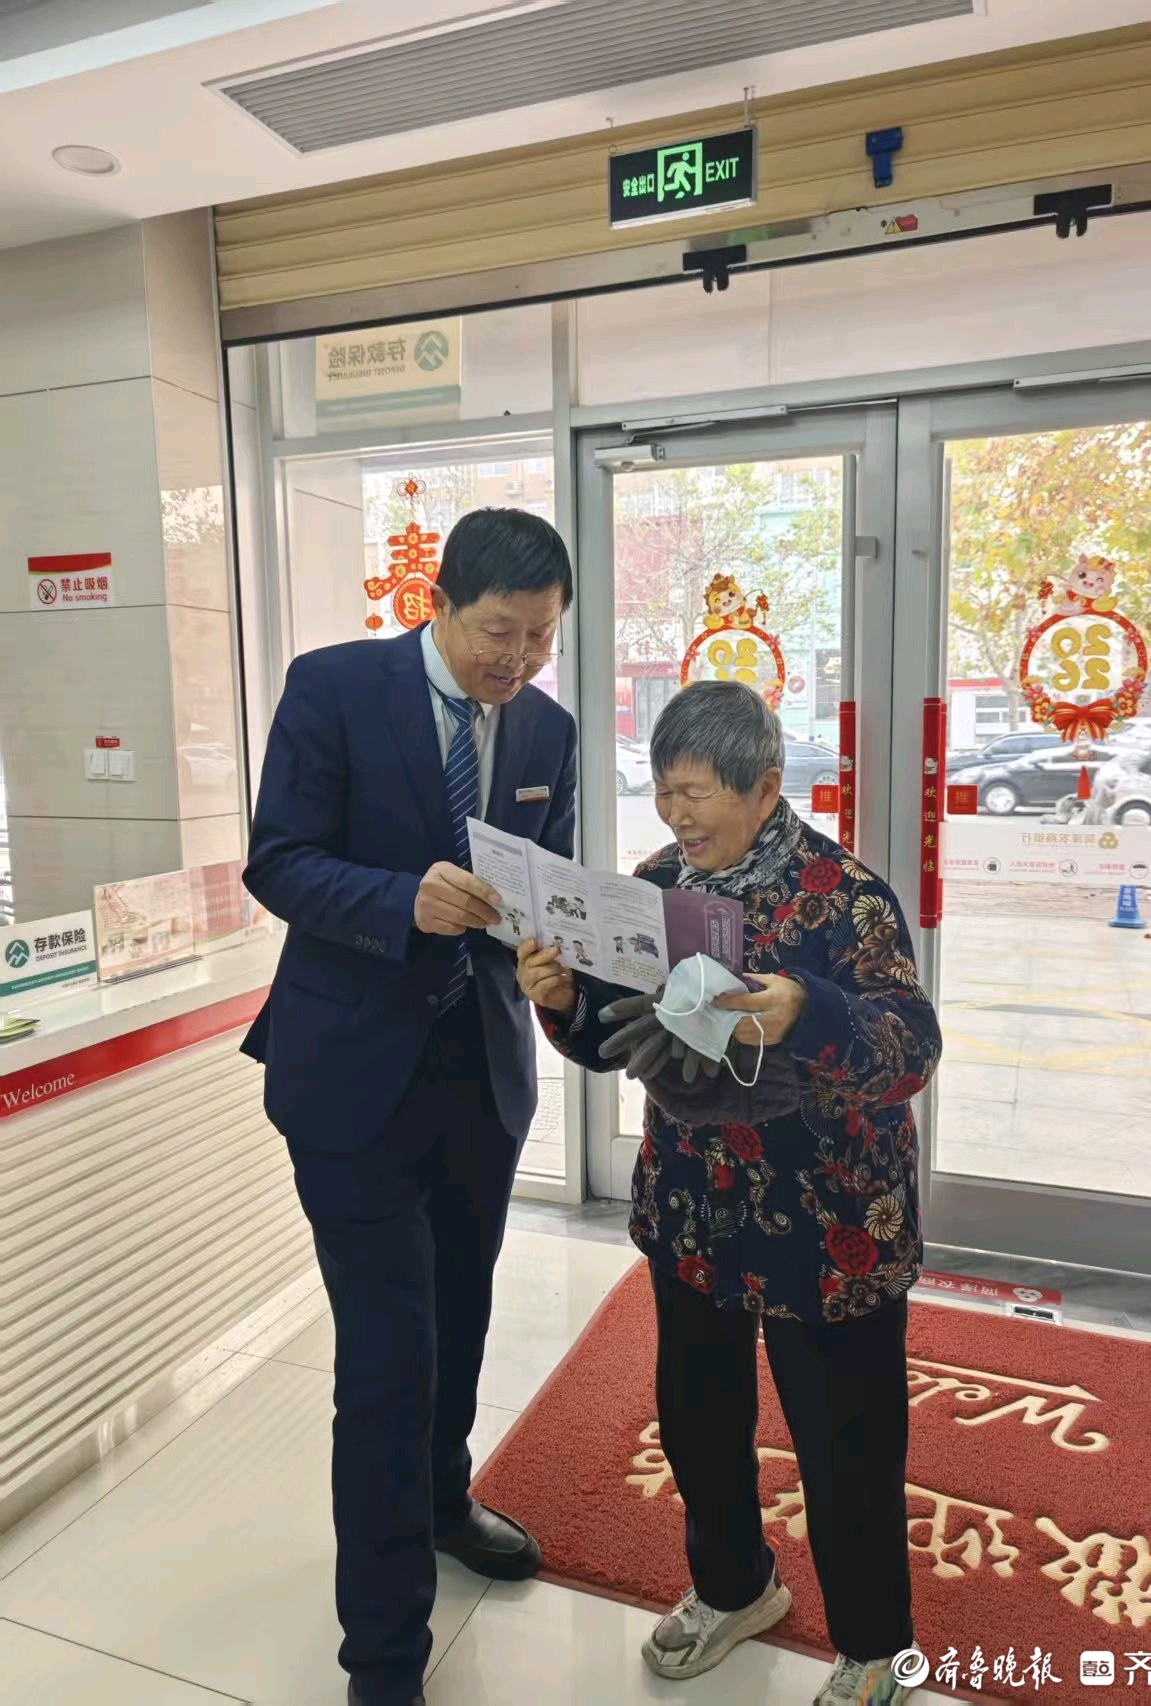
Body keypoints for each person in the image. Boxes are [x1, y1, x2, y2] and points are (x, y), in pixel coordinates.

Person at [518, 681, 941, 1706]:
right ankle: (734, 1585)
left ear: (764, 787)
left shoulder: (843, 897)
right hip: (695, 1203)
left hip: (830, 1219)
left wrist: (806, 1012)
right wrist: (564, 999)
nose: (677, 817)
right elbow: (615, 1033)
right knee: (697, 1417)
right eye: (664, 792)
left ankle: (876, 1645)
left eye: (697, 793)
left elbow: (910, 1050)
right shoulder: (657, 886)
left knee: (844, 1441)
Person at [242, 508, 576, 1706]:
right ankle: (382, 1652)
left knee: (463, 1311)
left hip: (479, 1076)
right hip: (352, 1079)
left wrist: (558, 949)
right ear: (438, 603)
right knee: (387, 1356)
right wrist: (400, 899)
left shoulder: (546, 729)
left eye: (540, 638)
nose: (517, 660)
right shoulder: (334, 688)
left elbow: (548, 883)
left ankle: (442, 1498)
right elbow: (278, 858)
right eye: (499, 631)